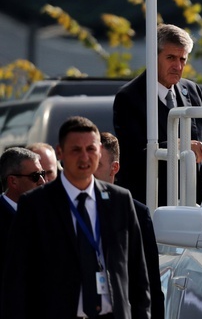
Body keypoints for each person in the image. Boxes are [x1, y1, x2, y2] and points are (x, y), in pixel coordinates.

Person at [1, 116, 150, 319]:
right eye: (76, 150)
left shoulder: (120, 201)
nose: (84, 157)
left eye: (91, 149)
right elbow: (16, 282)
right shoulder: (35, 205)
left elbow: (139, 278)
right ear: (60, 152)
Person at [113, 23, 202, 205]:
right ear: (153, 57)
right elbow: (135, 154)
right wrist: (182, 145)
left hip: (192, 203)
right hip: (151, 206)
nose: (177, 66)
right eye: (171, 58)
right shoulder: (129, 97)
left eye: (182, 60)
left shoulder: (191, 90)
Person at [98, 132, 165, 319]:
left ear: (114, 168)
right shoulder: (65, 209)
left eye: (97, 164)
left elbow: (150, 285)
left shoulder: (136, 214)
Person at [0, 147, 46, 295]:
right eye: (35, 176)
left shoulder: (46, 215)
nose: (42, 181)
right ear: (13, 181)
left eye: (43, 174)